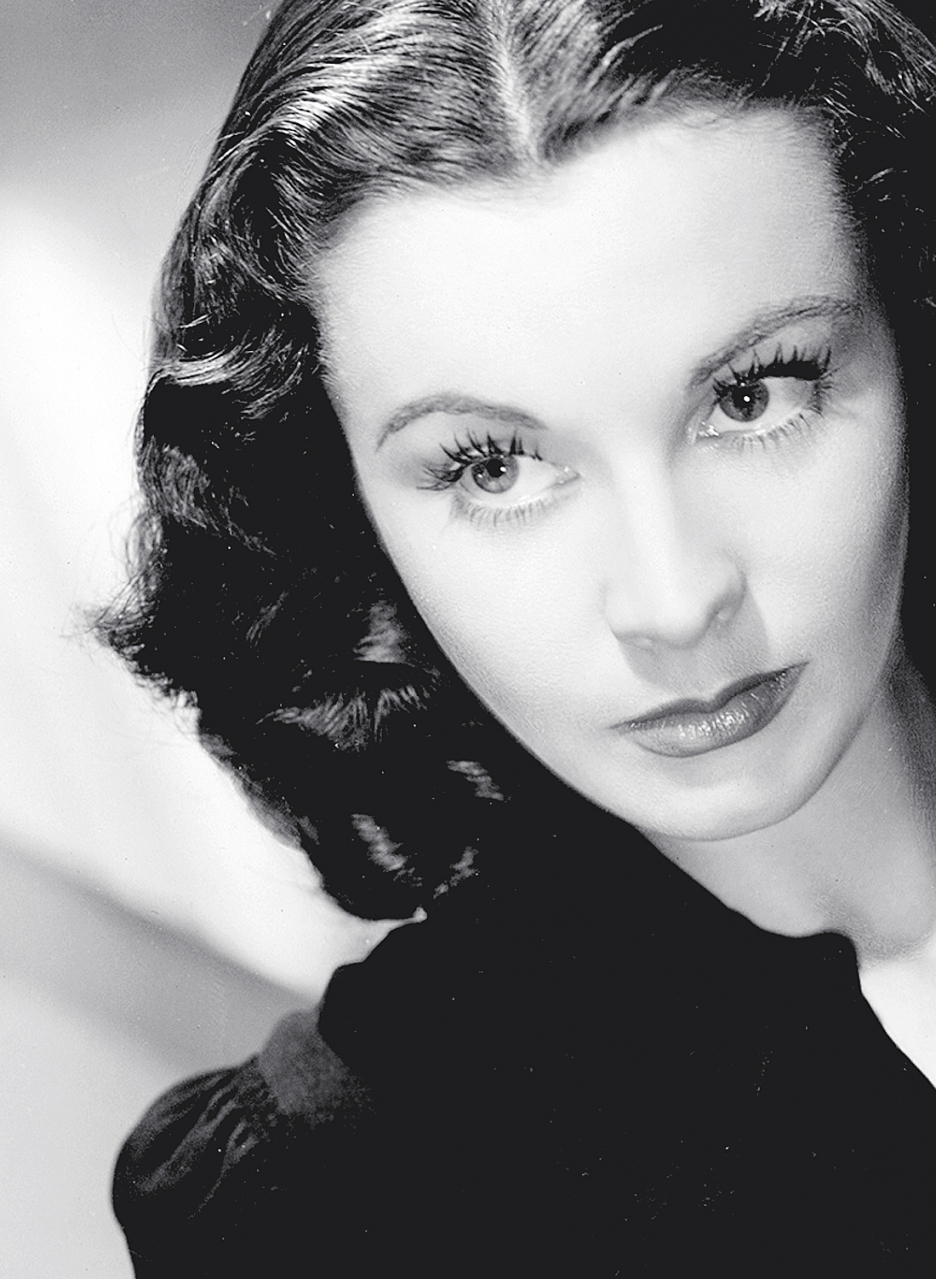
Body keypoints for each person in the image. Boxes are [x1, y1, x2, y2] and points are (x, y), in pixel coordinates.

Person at [102, 0, 936, 1271]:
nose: (672, 600)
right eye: (492, 465)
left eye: (751, 394)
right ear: (347, 513)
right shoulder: (343, 1200)